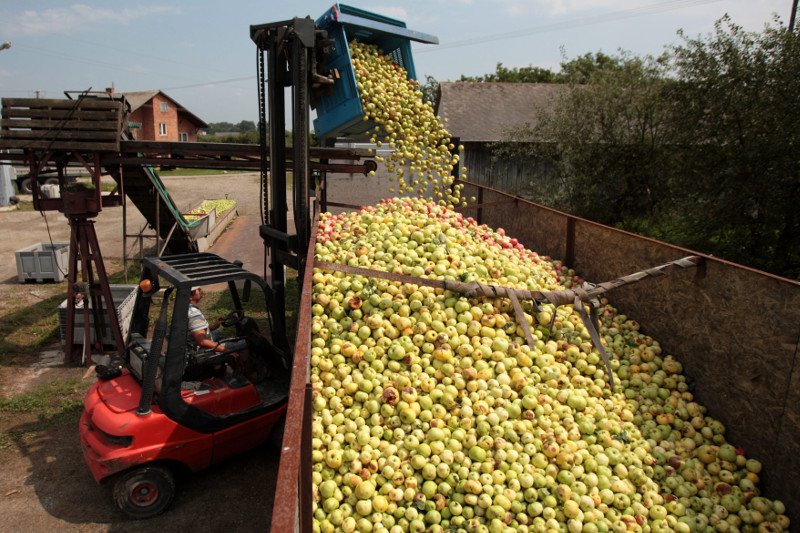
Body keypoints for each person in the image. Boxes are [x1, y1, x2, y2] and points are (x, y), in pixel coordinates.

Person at [187, 286, 259, 380]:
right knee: (244, 343)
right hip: (202, 352)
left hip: (196, 345)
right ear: (190, 297)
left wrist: (215, 325)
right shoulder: (193, 314)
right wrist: (226, 350)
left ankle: (227, 365)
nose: (200, 291)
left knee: (217, 333)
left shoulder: (187, 308)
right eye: (198, 290)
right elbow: (202, 341)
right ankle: (250, 374)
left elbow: (198, 330)